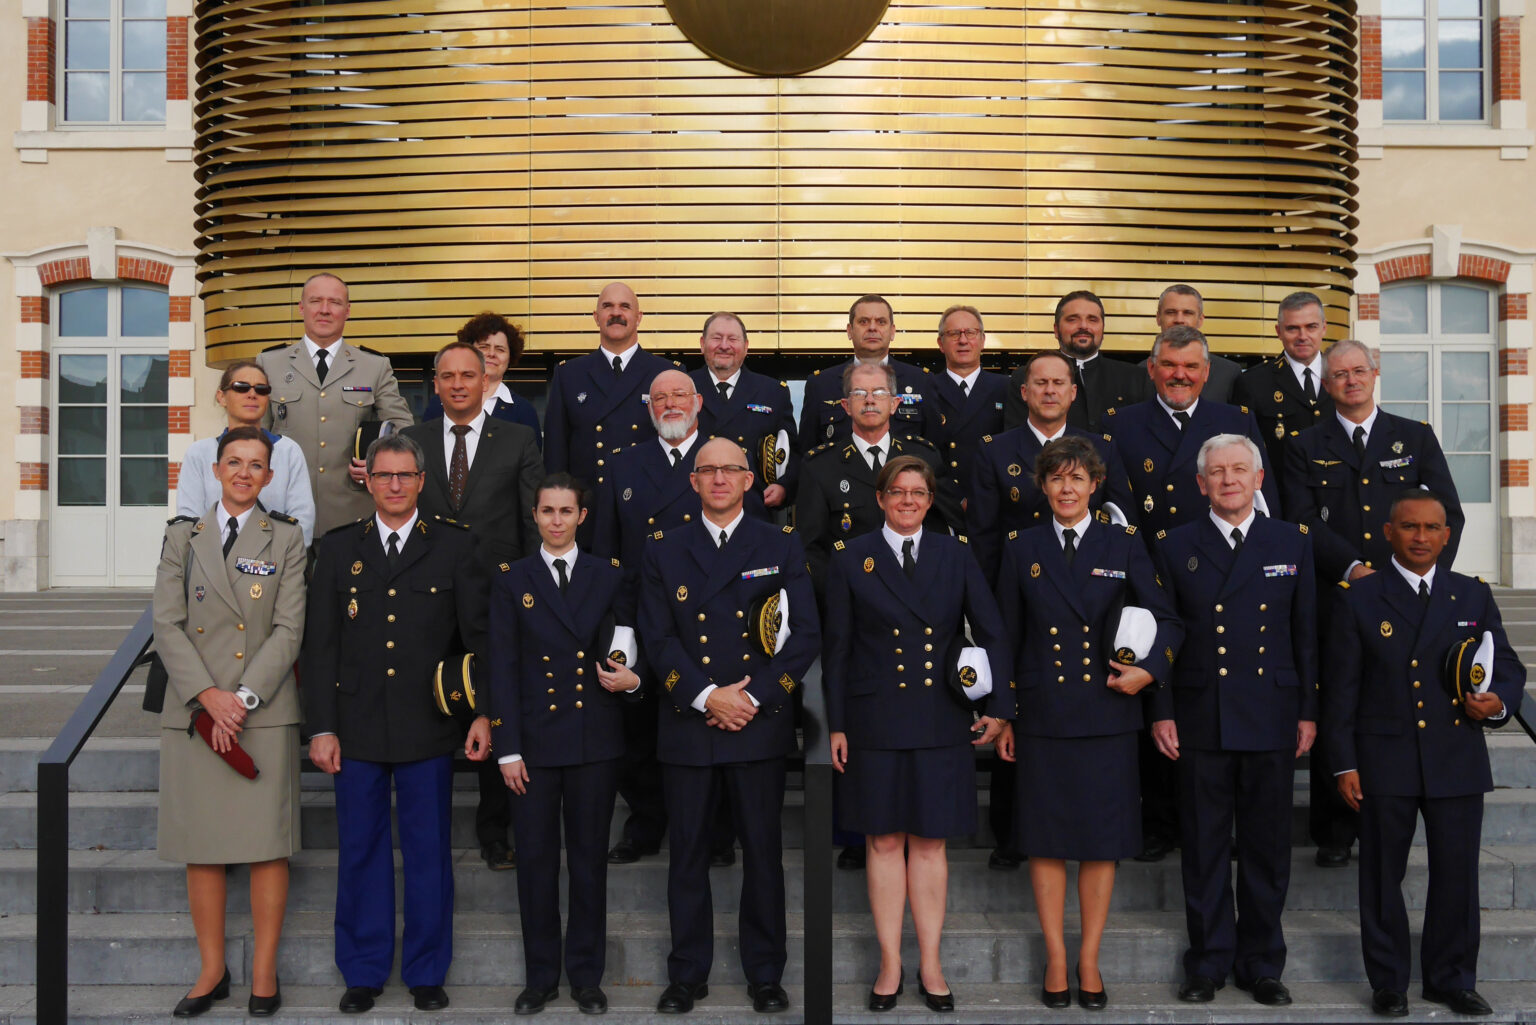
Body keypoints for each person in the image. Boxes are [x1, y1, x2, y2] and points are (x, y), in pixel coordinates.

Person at [301, 433, 492, 1015]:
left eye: (405, 475)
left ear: (421, 480)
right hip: (355, 724)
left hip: (426, 724)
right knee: (360, 850)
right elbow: (320, 647)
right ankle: (363, 971)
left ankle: (427, 970)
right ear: (369, 481)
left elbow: (478, 638)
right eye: (383, 475)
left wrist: (484, 712)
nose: (394, 485)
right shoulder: (339, 549)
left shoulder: (455, 546)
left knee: (428, 852)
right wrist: (321, 726)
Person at [994, 436, 1182, 1010]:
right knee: (1046, 843)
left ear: (1096, 485)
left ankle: (1089, 958)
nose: (1067, 488)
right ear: (1042, 486)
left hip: (1108, 714)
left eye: (1077, 478)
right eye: (1056, 478)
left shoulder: (1123, 542)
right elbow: (1005, 636)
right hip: (1043, 715)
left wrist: (1148, 673)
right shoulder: (1021, 546)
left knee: (1101, 845)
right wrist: (1003, 713)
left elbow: (1169, 621)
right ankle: (1056, 957)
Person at [637, 438, 820, 1015]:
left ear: (748, 480)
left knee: (763, 854)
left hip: (756, 722)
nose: (719, 478)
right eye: (708, 470)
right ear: (693, 482)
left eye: (730, 469)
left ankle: (766, 974)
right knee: (687, 855)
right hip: (689, 722)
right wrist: (706, 696)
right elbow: (657, 637)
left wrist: (753, 697)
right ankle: (686, 974)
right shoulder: (663, 548)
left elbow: (805, 635)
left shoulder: (780, 543)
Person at [823, 455, 1011, 1013]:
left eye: (919, 493)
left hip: (939, 715)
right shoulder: (850, 557)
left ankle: (930, 963)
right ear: (880, 498)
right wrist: (836, 723)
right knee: (882, 841)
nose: (908, 500)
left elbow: (993, 632)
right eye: (898, 491)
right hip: (872, 718)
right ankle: (890, 963)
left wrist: (1000, 708)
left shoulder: (955, 555)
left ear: (930, 501)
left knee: (929, 842)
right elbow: (837, 649)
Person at [1326, 489, 1524, 1019]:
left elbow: (1506, 665)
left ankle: (1451, 979)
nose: (1421, 537)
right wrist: (1344, 763)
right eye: (1410, 527)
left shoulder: (1471, 594)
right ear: (1388, 533)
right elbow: (1340, 690)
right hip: (1383, 758)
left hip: (1454, 756)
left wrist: (1499, 701)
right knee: (1381, 877)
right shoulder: (1359, 597)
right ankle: (1388, 982)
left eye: (1432, 527)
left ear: (1446, 535)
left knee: (1456, 876)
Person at [1149, 434, 1318, 1008]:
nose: (1228, 480)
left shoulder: (1292, 541)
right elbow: (1163, 636)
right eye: (1217, 472)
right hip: (1201, 714)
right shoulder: (1175, 544)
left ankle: (1262, 964)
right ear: (1201, 484)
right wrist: (1162, 711)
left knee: (1267, 847)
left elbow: (1306, 634)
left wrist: (1308, 710)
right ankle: (1208, 961)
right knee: (1204, 847)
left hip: (1272, 711)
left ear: (1258, 478)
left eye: (1239, 470)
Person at [1282, 337, 1464, 868]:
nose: (1351, 381)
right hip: (1336, 598)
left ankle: (1386, 819)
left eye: (1359, 371)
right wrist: (1352, 570)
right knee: (1338, 702)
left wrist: (1420, 578)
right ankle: (1334, 830)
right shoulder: (1303, 444)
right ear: (1326, 384)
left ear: (1374, 374)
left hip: (1405, 600)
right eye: (1339, 374)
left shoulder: (1414, 436)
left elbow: (1447, 513)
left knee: (1394, 705)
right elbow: (1300, 520)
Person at [1107, 325, 1278, 862]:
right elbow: (1116, 505)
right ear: (1152, 369)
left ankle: (1222, 824)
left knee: (1216, 697)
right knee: (1162, 693)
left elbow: (1262, 502)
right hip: (1150, 577)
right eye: (1169, 365)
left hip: (1225, 577)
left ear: (1206, 372)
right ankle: (1160, 822)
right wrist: (1139, 571)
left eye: (1190, 366)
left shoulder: (1236, 421)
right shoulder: (1123, 423)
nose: (1179, 375)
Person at [153, 426, 307, 1018]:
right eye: (234, 462)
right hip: (195, 710)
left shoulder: (286, 538)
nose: (244, 473)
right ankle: (211, 970)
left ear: (270, 476)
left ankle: (263, 972)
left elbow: (289, 629)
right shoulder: (182, 537)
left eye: (256, 464)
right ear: (215, 469)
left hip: (259, 711)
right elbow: (166, 624)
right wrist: (208, 697)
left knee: (267, 847)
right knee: (204, 846)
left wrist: (239, 699)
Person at [488, 473, 642, 1016]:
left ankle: (586, 976)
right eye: (547, 510)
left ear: (582, 516)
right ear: (534, 515)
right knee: (534, 863)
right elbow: (501, 666)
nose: (556, 520)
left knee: (588, 863)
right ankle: (540, 978)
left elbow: (630, 641)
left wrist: (634, 680)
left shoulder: (609, 575)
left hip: (593, 739)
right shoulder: (513, 579)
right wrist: (507, 748)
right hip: (532, 743)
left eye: (566, 511)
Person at [403, 341, 542, 874]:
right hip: (426, 597)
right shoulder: (412, 441)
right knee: (427, 708)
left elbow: (530, 520)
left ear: (486, 381)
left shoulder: (519, 438)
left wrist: (531, 592)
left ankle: (495, 833)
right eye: (447, 376)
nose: (458, 384)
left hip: (495, 597)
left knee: (496, 706)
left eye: (468, 375)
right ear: (435, 384)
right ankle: (426, 829)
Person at [592, 370, 733, 866]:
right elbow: (606, 548)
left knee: (706, 720)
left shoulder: (722, 459)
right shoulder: (623, 463)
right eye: (659, 398)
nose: (670, 403)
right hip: (637, 612)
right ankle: (646, 824)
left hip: (708, 613)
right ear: (648, 408)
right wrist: (612, 618)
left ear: (698, 401)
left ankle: (715, 832)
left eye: (679, 394)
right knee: (638, 727)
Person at [257, 272, 413, 535]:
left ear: (347, 311)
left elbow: (403, 429)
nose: (325, 310)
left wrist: (379, 463)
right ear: (301, 307)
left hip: (352, 514)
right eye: (316, 301)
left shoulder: (374, 366)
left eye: (335, 302)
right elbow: (253, 435)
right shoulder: (270, 364)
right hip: (283, 513)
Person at [970, 351, 1137, 588]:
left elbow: (1123, 524)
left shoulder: (1102, 449)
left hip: (1088, 584)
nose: (1050, 390)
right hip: (1021, 584)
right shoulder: (994, 451)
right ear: (1024, 392)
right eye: (1041, 383)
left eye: (1058, 383)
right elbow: (983, 539)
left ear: (1073, 392)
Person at [796, 362, 961, 598]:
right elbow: (811, 549)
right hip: (852, 598)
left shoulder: (924, 457)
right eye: (859, 393)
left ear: (894, 404)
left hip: (919, 594)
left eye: (880, 392)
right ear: (846, 406)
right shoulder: (819, 466)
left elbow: (949, 526)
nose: (870, 400)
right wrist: (840, 595)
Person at [543, 282, 678, 542]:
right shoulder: (569, 374)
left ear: (638, 317)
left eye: (625, 307)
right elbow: (555, 454)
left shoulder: (666, 372)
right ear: (596, 317)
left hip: (649, 508)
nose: (616, 313)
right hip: (588, 513)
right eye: (608, 306)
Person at [177, 361, 316, 546]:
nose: (252, 394)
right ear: (221, 397)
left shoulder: (288, 451)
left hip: (275, 559)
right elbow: (188, 522)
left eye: (261, 389)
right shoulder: (199, 453)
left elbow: (302, 523)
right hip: (210, 559)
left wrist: (267, 558)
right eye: (241, 387)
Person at [797, 295, 935, 452]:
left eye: (881, 322)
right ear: (850, 331)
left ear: (892, 332)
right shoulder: (820, 385)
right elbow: (806, 453)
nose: (872, 328)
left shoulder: (922, 382)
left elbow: (934, 451)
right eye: (864, 321)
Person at [691, 312, 798, 514]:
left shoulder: (773, 392)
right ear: (702, 344)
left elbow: (792, 452)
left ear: (746, 346)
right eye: (716, 338)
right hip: (693, 507)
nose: (724, 345)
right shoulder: (683, 387)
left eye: (733, 339)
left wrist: (784, 486)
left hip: (752, 507)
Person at [1004, 291, 1148, 433]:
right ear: (1056, 330)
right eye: (1072, 319)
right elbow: (1016, 438)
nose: (1084, 326)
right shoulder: (1025, 377)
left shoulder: (1136, 378)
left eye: (1092, 319)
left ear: (1103, 328)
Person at [1233, 290, 1334, 489]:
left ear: (1324, 328)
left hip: (1338, 497)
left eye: (1311, 327)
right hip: (1282, 497)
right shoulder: (1253, 382)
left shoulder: (1342, 375)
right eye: (1292, 328)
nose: (1302, 336)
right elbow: (1243, 453)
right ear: (1278, 331)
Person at [421, 311, 543, 448]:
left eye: (500, 349)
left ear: (510, 357)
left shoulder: (524, 411)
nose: (491, 354)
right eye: (484, 347)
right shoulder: (439, 404)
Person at [926, 305, 1009, 503]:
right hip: (942, 501)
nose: (963, 340)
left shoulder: (1006, 387)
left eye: (970, 333)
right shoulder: (927, 387)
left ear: (983, 340)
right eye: (954, 333)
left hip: (992, 498)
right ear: (941, 343)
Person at [1153, 285, 1242, 404]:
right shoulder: (1140, 373)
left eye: (1187, 313)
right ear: (1158, 318)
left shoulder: (1229, 373)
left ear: (1200, 320)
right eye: (1171, 312)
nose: (1179, 320)